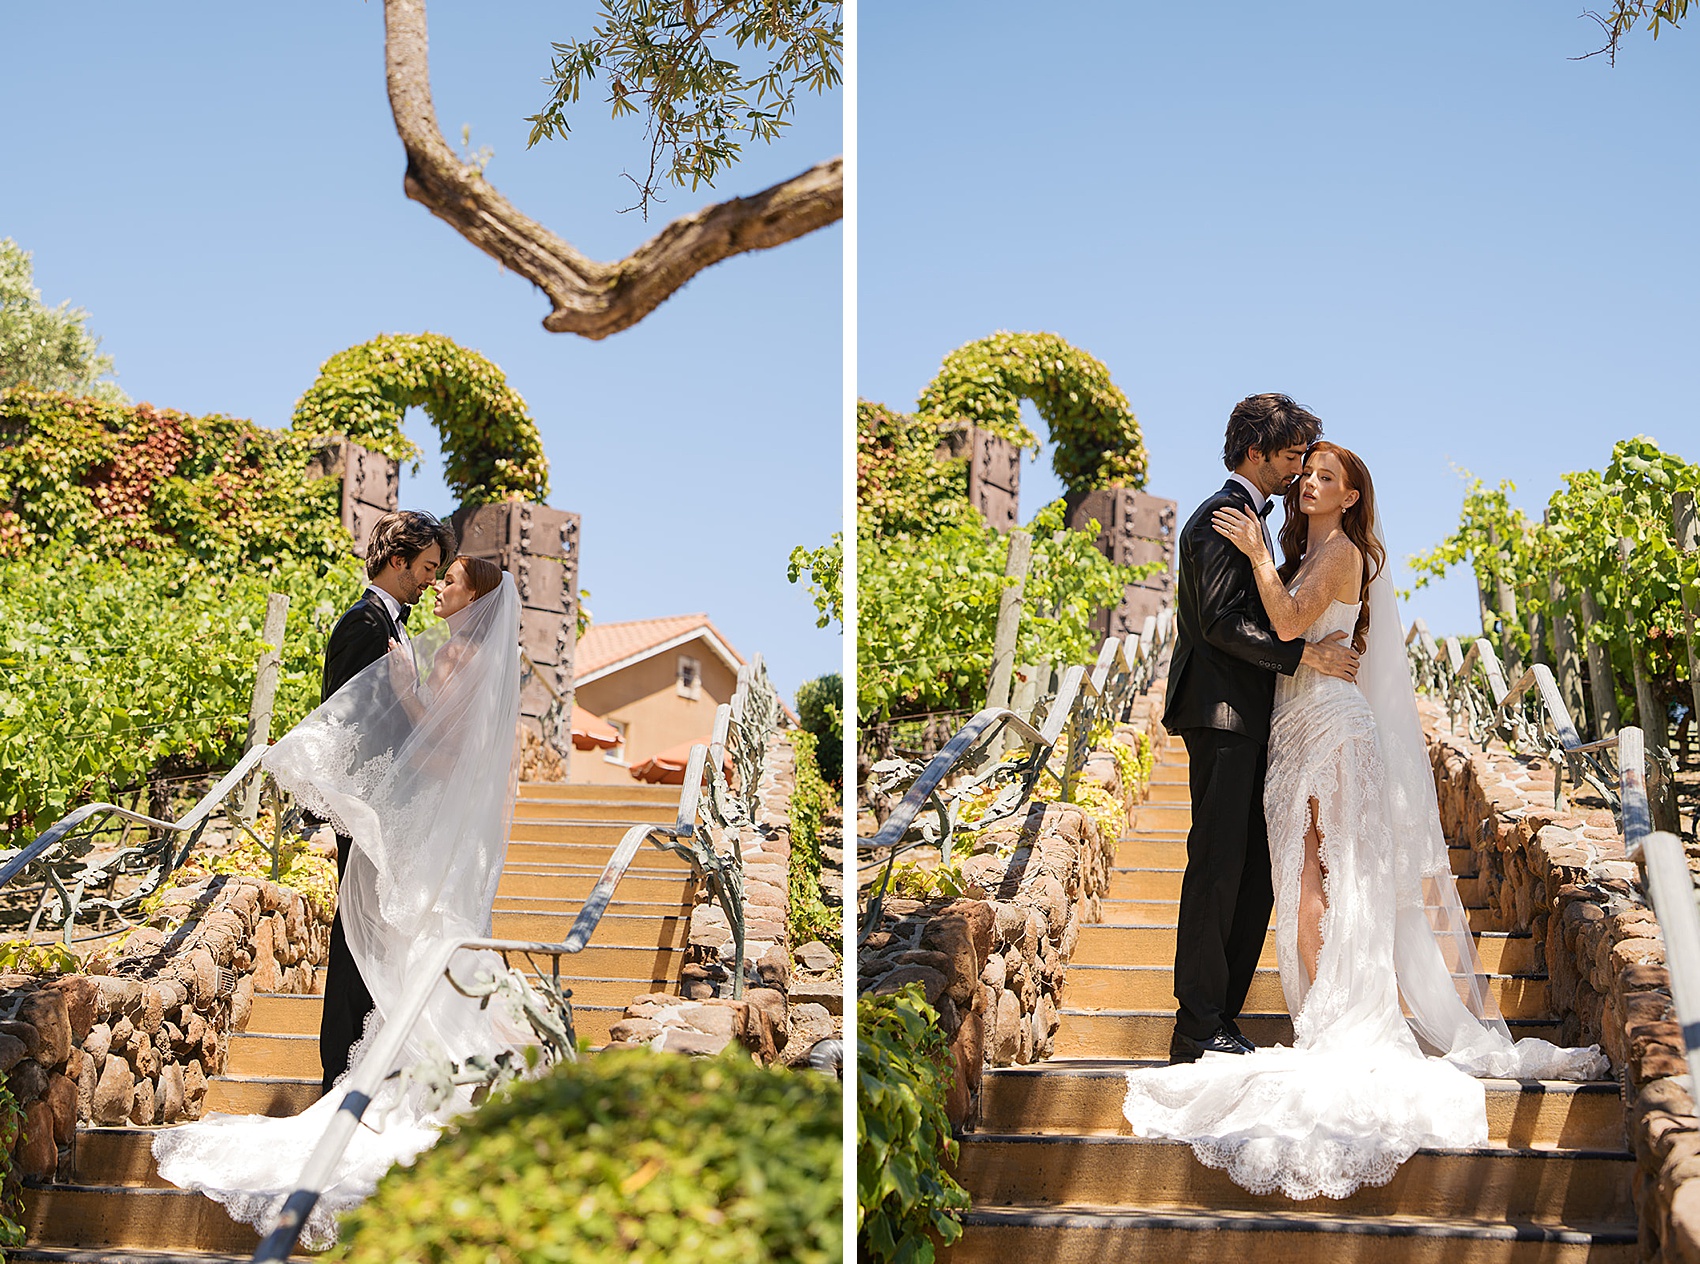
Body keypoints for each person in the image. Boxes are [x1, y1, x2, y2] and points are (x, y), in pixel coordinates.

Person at [1122, 440, 1605, 1200]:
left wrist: (1253, 555)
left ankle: (1332, 1021)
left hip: (1331, 727)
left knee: (1321, 880)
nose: (1308, 484)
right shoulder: (1307, 551)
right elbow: (1283, 636)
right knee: (1303, 877)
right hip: (1293, 727)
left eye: (1324, 478)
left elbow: (1284, 626)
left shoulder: (1341, 553)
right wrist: (1267, 567)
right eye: (1305, 473)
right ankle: (1326, 1013)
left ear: (1350, 496)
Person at [152, 554, 527, 1248]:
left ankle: (403, 1108)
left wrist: (410, 690)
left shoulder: (451, 664)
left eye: (451, 580)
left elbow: (442, 757)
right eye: (437, 574)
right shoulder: (481, 665)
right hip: (439, 845)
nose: (439, 585)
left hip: (428, 839)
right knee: (426, 968)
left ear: (474, 597)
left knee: (419, 968)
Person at [1160, 394, 1360, 1065]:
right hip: (1221, 716)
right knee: (1218, 869)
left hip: (1252, 721)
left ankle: (1219, 1019)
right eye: (1292, 455)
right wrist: (1306, 656)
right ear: (1255, 451)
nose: (1300, 468)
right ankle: (1197, 1025)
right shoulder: (1225, 517)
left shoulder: (1255, 519)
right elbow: (1219, 624)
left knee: (1250, 875)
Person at [316, 510, 454, 1095]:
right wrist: (362, 806)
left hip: (390, 809)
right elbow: (347, 721)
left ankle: (364, 1067)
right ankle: (339, 1073)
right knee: (355, 938)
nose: (431, 581)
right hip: (370, 810)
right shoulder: (365, 624)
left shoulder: (392, 624)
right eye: (426, 568)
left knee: (373, 933)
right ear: (397, 561)